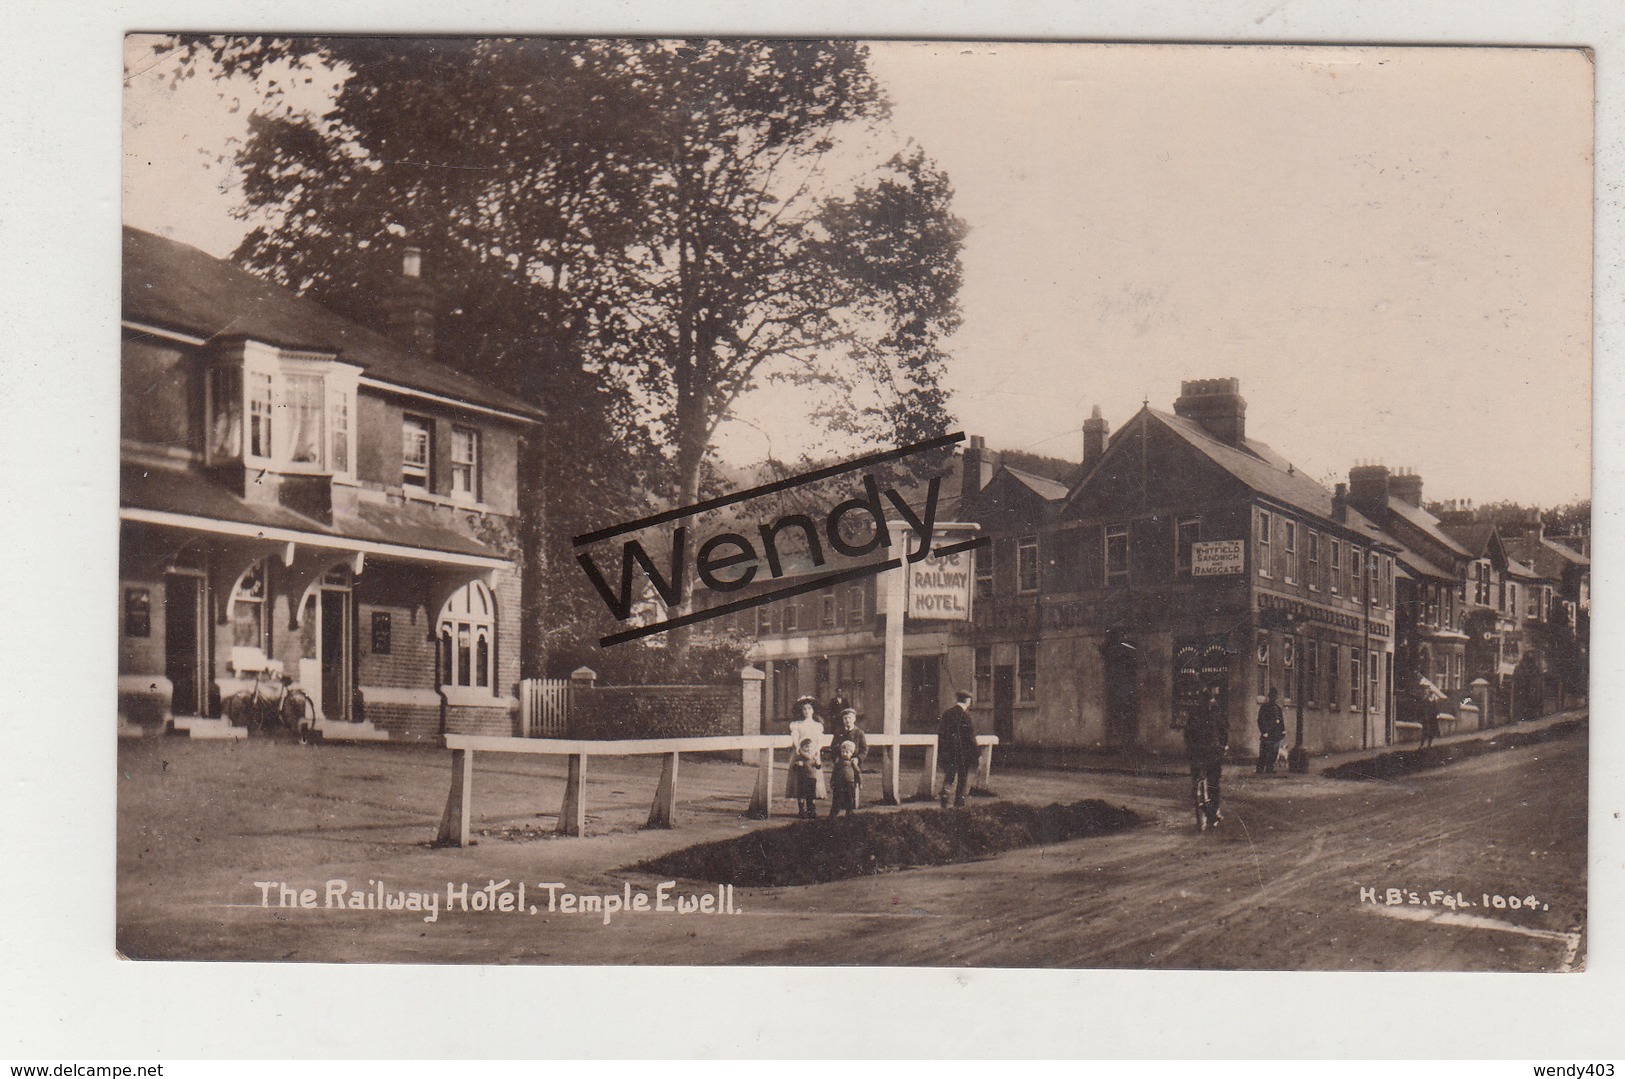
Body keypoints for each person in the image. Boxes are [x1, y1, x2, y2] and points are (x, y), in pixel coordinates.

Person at [1186, 686, 1230, 827]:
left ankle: (1197, 797)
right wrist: (1224, 746)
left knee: (1197, 779)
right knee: (1213, 784)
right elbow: (1223, 733)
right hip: (1211, 753)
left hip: (1198, 753)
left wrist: (1189, 748)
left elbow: (1187, 734)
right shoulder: (1216, 714)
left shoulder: (1194, 715)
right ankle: (1212, 812)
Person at [937, 690, 978, 808]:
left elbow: (941, 733)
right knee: (962, 777)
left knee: (949, 775)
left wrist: (942, 750)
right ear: (967, 700)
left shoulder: (947, 713)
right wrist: (977, 754)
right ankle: (959, 802)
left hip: (949, 751)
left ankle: (945, 795)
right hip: (963, 753)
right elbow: (970, 737)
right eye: (970, 700)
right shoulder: (965, 716)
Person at [785, 697, 828, 801]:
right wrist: (800, 750)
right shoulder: (797, 725)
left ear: (813, 710)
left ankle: (813, 798)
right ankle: (800, 797)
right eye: (804, 709)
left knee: (813, 774)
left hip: (813, 752)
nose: (807, 711)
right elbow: (796, 738)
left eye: (809, 708)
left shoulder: (817, 726)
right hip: (800, 753)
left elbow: (819, 740)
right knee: (801, 775)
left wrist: (816, 750)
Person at [1255, 686, 1286, 774]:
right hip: (1268, 733)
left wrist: (1283, 730)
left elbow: (1281, 720)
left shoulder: (1278, 708)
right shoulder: (1264, 707)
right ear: (1269, 697)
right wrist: (1264, 731)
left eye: (1275, 696)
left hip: (1276, 733)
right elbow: (1260, 720)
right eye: (1272, 696)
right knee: (1264, 751)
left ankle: (1270, 768)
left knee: (1274, 752)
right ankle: (1260, 768)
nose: (1273, 698)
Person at [790, 738, 822, 819]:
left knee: (811, 795)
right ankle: (801, 811)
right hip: (802, 779)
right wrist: (797, 764)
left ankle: (811, 811)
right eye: (806, 747)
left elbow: (818, 767)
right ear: (802, 748)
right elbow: (794, 768)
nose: (809, 749)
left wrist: (818, 763)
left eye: (810, 747)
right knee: (801, 795)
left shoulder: (814, 757)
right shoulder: (800, 757)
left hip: (812, 778)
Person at [828, 740, 861, 818]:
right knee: (837, 798)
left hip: (849, 783)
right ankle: (833, 814)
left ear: (852, 753)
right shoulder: (839, 762)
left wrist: (859, 782)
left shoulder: (852, 763)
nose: (844, 754)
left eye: (847, 752)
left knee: (849, 798)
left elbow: (857, 773)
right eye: (843, 752)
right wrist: (832, 781)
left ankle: (849, 812)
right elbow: (834, 772)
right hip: (839, 783)